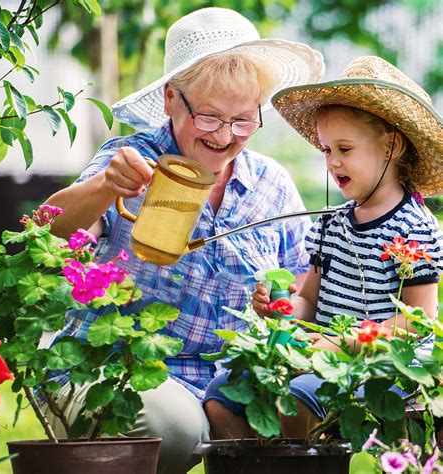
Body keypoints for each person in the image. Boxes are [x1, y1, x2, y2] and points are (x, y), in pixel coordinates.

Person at [41, 7, 325, 473]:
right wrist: (105, 187)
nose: (225, 136)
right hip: (121, 366)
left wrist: (279, 306)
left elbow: (298, 293)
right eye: (210, 117)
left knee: (302, 410)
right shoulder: (130, 160)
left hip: (226, 381)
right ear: (172, 98)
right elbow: (52, 230)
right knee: (172, 428)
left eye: (243, 120)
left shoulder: (271, 185)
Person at [204, 55, 442, 439]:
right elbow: (309, 302)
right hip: (320, 356)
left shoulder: (414, 230)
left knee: (299, 396)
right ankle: (259, 465)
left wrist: (343, 341)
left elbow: (417, 323)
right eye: (327, 150)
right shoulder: (331, 223)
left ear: (391, 147)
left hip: (383, 368)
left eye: (344, 149)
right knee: (222, 391)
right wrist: (281, 307)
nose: (332, 162)